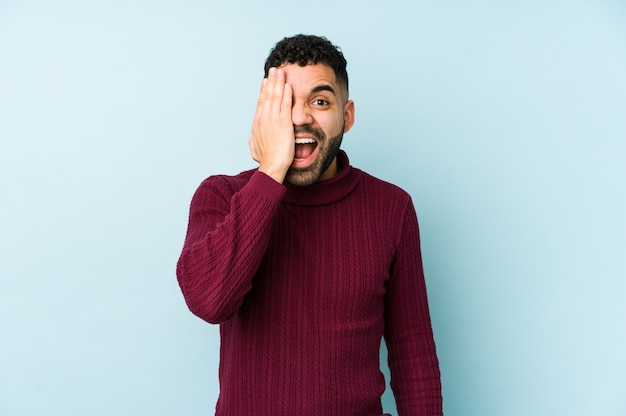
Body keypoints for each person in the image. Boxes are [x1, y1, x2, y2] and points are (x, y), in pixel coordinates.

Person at [176, 34, 442, 416]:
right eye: (285, 103)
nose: (300, 118)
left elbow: (413, 355)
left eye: (320, 101)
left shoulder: (392, 208)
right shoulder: (221, 196)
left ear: (346, 116)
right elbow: (209, 301)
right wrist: (269, 173)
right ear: (264, 114)